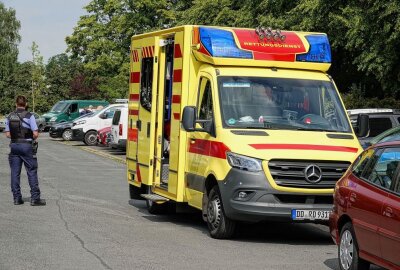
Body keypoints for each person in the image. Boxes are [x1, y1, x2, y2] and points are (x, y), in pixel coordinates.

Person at [5, 95, 46, 206]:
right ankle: (35, 199)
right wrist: (31, 137)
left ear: (16, 104)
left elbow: (8, 134)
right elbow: (36, 133)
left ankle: (17, 198)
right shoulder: (30, 116)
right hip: (27, 146)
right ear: (26, 104)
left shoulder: (10, 116)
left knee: (15, 173)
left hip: (14, 146)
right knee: (31, 171)